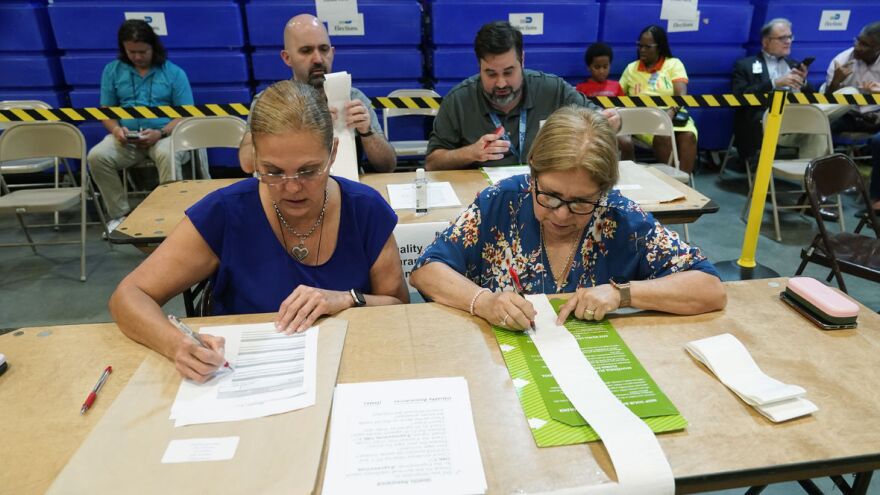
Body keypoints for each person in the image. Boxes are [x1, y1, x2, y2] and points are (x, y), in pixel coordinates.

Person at [111, 80, 409, 382]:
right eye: (273, 171)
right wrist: (176, 344)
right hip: (244, 382)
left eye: (308, 171)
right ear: (255, 159)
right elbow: (129, 295)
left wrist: (348, 299)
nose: (292, 187)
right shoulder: (226, 213)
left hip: (349, 373)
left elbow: (399, 307)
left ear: (332, 153)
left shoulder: (365, 209)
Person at [410, 105, 726, 330]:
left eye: (580, 202)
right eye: (549, 195)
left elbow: (709, 288)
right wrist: (483, 301)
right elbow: (426, 270)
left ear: (602, 191)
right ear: (533, 172)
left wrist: (622, 294)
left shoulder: (618, 215)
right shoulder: (502, 201)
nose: (561, 214)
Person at [425, 21, 620, 171]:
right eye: (491, 74)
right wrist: (470, 153)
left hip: (546, 195)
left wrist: (613, 122)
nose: (501, 83)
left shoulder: (552, 89)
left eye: (509, 72)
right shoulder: (458, 100)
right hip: (483, 201)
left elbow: (601, 119)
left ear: (522, 60)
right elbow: (432, 163)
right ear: (479, 66)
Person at [239, 14, 396, 174]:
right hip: (291, 188)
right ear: (287, 58)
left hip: (347, 187)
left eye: (323, 49)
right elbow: (247, 163)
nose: (318, 59)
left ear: (332, 52)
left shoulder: (354, 98)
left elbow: (388, 166)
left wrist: (367, 132)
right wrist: (301, 125)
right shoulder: (270, 101)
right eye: (306, 51)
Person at [88, 19, 195, 231]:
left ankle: (172, 217)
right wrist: (117, 130)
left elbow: (187, 114)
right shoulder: (112, 71)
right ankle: (119, 216)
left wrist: (161, 132)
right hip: (128, 140)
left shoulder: (174, 73)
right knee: (96, 156)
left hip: (165, 136)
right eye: (131, 52)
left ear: (153, 48)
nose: (137, 57)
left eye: (142, 52)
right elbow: (106, 111)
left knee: (168, 154)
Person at [731, 18, 817, 167]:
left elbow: (812, 97)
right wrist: (774, 83)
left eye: (790, 37)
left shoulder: (794, 65)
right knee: (817, 121)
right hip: (766, 117)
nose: (788, 41)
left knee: (818, 117)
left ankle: (814, 176)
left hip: (798, 114)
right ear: (765, 42)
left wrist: (803, 82)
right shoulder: (745, 65)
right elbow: (740, 97)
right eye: (783, 38)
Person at [619, 25, 698, 174]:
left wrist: (671, 111)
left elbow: (681, 94)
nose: (642, 50)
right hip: (645, 120)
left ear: (659, 47)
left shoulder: (674, 64)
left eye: (647, 47)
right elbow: (617, 97)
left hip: (674, 116)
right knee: (663, 136)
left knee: (689, 136)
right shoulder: (631, 69)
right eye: (640, 46)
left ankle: (684, 182)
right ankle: (673, 181)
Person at [823, 22, 880, 211]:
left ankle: (875, 200)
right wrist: (835, 84)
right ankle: (822, 191)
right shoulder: (843, 60)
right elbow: (826, 103)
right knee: (823, 128)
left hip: (877, 116)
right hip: (850, 114)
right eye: (858, 41)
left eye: (865, 45)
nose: (857, 47)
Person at [576, 42, 634, 160]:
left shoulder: (616, 86)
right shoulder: (582, 88)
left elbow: (623, 109)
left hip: (614, 128)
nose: (602, 71)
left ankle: (630, 169)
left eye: (605, 66)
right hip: (592, 128)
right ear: (588, 67)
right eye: (597, 67)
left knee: (627, 142)